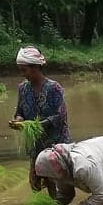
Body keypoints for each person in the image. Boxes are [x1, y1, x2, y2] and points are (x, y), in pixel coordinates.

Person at [10, 45, 69, 195]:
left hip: (56, 145)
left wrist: (39, 125)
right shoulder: (23, 88)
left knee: (57, 186)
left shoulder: (54, 88)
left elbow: (60, 115)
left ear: (35, 67)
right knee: (35, 184)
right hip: (36, 146)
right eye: (20, 70)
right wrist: (18, 121)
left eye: (25, 70)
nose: (22, 74)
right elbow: (20, 111)